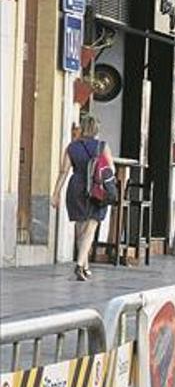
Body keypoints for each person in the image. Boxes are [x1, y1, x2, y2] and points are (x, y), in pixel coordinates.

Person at [51, 114, 114, 281]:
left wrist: (56, 193)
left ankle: (85, 266)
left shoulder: (71, 147)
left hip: (76, 187)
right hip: (95, 189)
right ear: (96, 130)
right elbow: (110, 169)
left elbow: (64, 171)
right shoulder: (102, 146)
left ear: (82, 128)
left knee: (80, 229)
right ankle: (79, 265)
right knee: (90, 228)